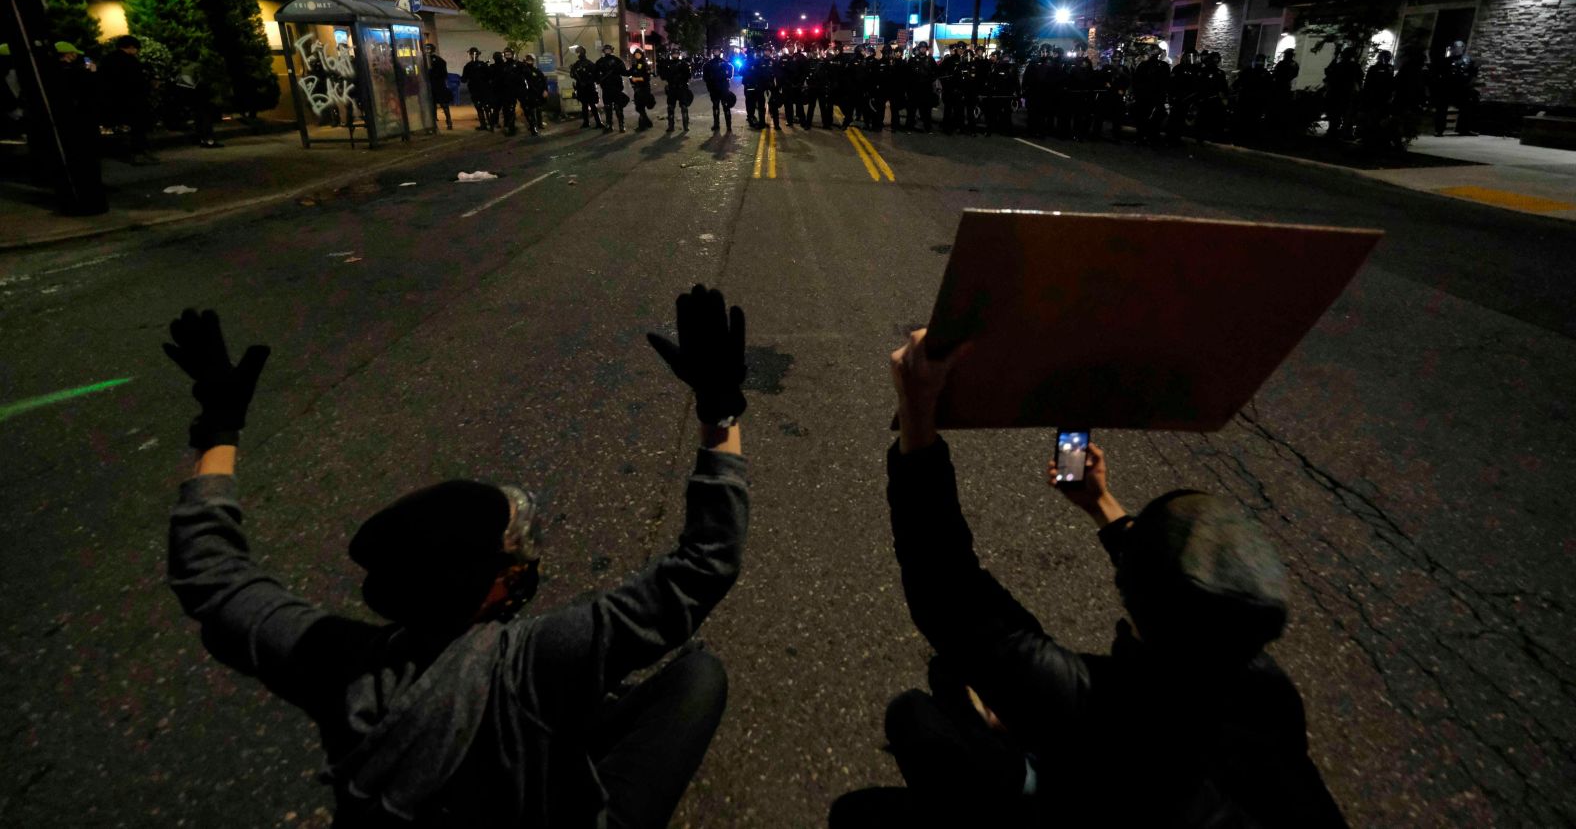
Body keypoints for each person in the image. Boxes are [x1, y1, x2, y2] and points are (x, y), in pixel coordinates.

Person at [164, 287, 752, 828]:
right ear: (486, 587)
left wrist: (218, 428)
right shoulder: (530, 664)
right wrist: (719, 413)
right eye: (512, 553)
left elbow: (215, 579)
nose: (523, 561)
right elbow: (705, 563)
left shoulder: (337, 666)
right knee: (699, 674)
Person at [830, 329, 1349, 828]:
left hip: (1090, 792)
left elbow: (948, 594)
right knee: (961, 682)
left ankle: (1011, 756)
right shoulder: (1265, 692)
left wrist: (918, 409)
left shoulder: (1104, 713)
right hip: (1126, 789)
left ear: (1136, 595)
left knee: (887, 765)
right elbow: (1180, 593)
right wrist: (1101, 503)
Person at [1432, 40, 1478, 137]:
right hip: (1448, 87)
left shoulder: (1468, 60)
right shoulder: (1447, 60)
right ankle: (1439, 130)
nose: (1457, 49)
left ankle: (1464, 129)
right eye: (1455, 47)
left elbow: (1473, 74)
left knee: (1470, 103)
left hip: (1462, 88)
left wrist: (1469, 85)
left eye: (1459, 47)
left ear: (1463, 48)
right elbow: (1439, 74)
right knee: (1441, 107)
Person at [1323, 47, 1362, 141]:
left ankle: (1336, 132)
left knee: (1338, 115)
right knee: (1342, 115)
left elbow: (1328, 73)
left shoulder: (1341, 65)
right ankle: (1342, 132)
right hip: (1343, 94)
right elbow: (1359, 80)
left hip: (1340, 94)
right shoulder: (1353, 66)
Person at [1132, 48, 1170, 144]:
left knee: (1150, 118)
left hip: (1151, 96)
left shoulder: (1161, 66)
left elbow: (1165, 82)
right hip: (1147, 96)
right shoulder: (1145, 65)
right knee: (1146, 118)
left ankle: (1146, 137)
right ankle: (1146, 137)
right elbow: (1137, 81)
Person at [659, 47, 693, 132]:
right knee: (670, 107)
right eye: (674, 54)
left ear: (679, 54)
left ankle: (686, 125)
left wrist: (681, 76)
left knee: (684, 107)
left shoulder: (683, 63)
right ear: (671, 55)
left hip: (682, 88)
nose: (675, 55)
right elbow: (663, 76)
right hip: (672, 88)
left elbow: (688, 75)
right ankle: (671, 126)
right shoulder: (668, 64)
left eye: (676, 54)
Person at [596, 43, 629, 132]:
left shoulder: (617, 61)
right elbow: (596, 73)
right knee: (608, 108)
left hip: (616, 87)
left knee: (618, 107)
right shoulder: (600, 61)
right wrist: (598, 79)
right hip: (606, 88)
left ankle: (621, 125)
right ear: (603, 51)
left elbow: (624, 72)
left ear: (612, 50)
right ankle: (609, 125)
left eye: (609, 50)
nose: (607, 51)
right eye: (606, 50)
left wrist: (632, 71)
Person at [569, 45, 603, 130]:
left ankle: (598, 122)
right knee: (584, 106)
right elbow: (572, 75)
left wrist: (588, 81)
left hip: (589, 87)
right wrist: (573, 71)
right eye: (578, 52)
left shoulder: (590, 63)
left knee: (592, 105)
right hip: (581, 87)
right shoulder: (576, 64)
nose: (579, 54)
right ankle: (586, 122)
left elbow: (596, 75)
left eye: (580, 52)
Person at [461, 48, 494, 131]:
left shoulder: (470, 66)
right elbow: (490, 76)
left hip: (478, 89)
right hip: (479, 89)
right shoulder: (479, 65)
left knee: (482, 107)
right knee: (483, 107)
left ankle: (486, 125)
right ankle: (488, 125)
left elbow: (464, 79)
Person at [702, 48, 734, 132]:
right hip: (714, 89)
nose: (716, 52)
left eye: (718, 51)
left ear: (720, 52)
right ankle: (716, 124)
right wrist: (710, 84)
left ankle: (729, 126)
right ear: (713, 52)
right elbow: (705, 77)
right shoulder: (708, 64)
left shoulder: (726, 63)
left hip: (723, 88)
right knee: (715, 106)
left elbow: (730, 75)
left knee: (726, 106)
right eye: (715, 51)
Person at [423, 43, 453, 131]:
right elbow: (445, 74)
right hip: (438, 85)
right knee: (441, 105)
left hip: (435, 85)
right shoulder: (439, 60)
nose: (427, 50)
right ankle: (447, 122)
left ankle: (439, 124)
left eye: (428, 48)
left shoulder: (427, 61)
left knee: (437, 105)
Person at [518, 53, 548, 136]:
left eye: (531, 60)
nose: (529, 61)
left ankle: (539, 123)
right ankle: (533, 126)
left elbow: (543, 81)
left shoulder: (537, 71)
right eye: (528, 60)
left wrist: (545, 90)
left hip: (537, 94)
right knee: (530, 111)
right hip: (527, 94)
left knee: (538, 108)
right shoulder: (523, 71)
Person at [492, 50, 519, 135]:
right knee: (507, 109)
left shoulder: (512, 65)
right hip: (504, 91)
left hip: (504, 91)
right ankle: (508, 126)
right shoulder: (504, 66)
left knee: (503, 109)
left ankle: (505, 126)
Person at [629, 48, 656, 130]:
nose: (637, 56)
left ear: (641, 55)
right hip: (637, 88)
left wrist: (636, 79)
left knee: (640, 106)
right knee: (639, 107)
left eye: (638, 54)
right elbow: (629, 73)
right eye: (636, 54)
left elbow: (647, 78)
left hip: (644, 88)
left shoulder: (644, 64)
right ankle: (646, 123)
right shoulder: (635, 64)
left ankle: (644, 124)